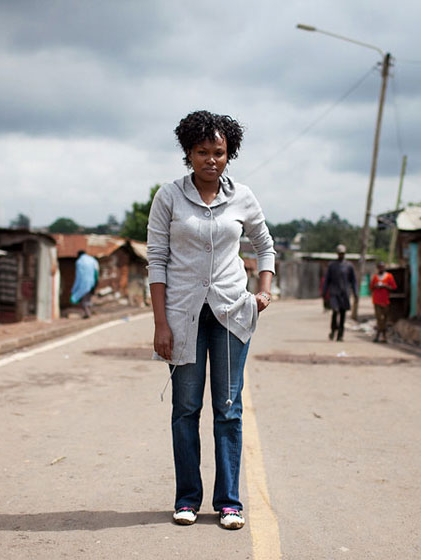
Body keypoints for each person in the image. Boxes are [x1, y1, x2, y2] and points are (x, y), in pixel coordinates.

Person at [147, 110, 275, 530]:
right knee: (186, 408)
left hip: (231, 314)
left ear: (229, 154)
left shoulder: (243, 198)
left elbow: (265, 245)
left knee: (227, 407)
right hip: (182, 317)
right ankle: (187, 498)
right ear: (188, 153)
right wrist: (160, 323)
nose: (211, 160)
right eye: (202, 151)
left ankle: (229, 502)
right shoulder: (168, 197)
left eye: (218, 152)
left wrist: (264, 289)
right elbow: (157, 262)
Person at [322, 244, 357, 342]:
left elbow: (353, 281)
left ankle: (340, 335)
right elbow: (327, 280)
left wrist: (355, 293)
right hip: (334, 293)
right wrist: (324, 293)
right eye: (339, 253)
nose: (341, 255)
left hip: (344, 293)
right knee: (335, 311)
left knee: (342, 314)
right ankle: (333, 330)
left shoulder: (349, 266)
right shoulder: (332, 265)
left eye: (342, 253)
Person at [371, 261, 397, 343]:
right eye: (379, 267)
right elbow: (371, 287)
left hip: (385, 301)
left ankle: (382, 336)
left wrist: (385, 286)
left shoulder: (389, 276)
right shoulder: (375, 277)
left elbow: (394, 287)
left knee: (385, 319)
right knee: (379, 319)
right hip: (376, 300)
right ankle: (379, 335)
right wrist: (376, 286)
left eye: (382, 267)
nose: (381, 268)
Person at [70, 250, 99, 318]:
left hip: (83, 283)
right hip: (92, 282)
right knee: (88, 298)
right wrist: (96, 282)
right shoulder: (92, 260)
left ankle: (88, 314)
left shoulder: (79, 262)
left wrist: (74, 288)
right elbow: (96, 271)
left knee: (84, 299)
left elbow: (78, 276)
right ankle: (90, 312)